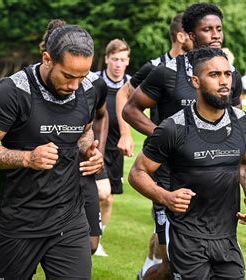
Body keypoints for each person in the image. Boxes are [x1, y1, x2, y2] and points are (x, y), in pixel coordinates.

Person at [0, 24, 103, 279]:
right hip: (19, 224)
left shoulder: (87, 91)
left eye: (82, 76)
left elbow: (84, 131)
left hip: (69, 220)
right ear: (47, 59)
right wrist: (27, 158)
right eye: (67, 76)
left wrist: (90, 151)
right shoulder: (12, 92)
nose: (75, 85)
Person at [123, 4, 243, 279]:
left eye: (219, 29)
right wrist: (164, 139)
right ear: (189, 34)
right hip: (169, 179)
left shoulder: (229, 74)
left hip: (213, 185)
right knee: (172, 265)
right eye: (207, 29)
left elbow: (237, 118)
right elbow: (130, 109)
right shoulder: (167, 73)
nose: (216, 35)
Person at [115, 13, 192, 279]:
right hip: (163, 163)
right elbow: (124, 94)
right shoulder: (158, 67)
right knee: (173, 259)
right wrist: (130, 134)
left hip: (196, 164)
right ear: (182, 36)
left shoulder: (203, 69)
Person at [40, 18, 109, 255]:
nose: (73, 84)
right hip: (41, 178)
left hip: (80, 170)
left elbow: (99, 117)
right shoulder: (28, 86)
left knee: (90, 243)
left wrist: (95, 150)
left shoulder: (94, 86)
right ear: (47, 52)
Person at [93, 38, 131, 257]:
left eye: (123, 59)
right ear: (107, 59)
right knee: (101, 192)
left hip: (116, 150)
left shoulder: (131, 85)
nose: (118, 63)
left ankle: (97, 239)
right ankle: (86, 234)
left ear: (128, 61)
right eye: (114, 59)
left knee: (109, 198)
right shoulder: (95, 81)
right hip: (96, 146)